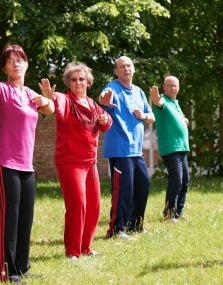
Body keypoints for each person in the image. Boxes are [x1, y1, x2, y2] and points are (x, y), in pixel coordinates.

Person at [40, 62, 112, 260]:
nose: (78, 82)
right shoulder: (65, 100)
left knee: (94, 206)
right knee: (77, 204)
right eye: (73, 79)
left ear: (88, 82)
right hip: (70, 162)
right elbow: (55, 104)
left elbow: (105, 120)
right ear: (68, 83)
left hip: (91, 162)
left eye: (81, 79)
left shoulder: (92, 104)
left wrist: (105, 119)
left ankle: (85, 247)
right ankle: (72, 251)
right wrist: (50, 97)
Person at [0, 44, 54, 283]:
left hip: (26, 166)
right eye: (11, 60)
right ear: (4, 68)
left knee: (25, 218)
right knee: (8, 220)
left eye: (20, 59)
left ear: (27, 65)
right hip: (5, 163)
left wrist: (48, 99)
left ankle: (22, 266)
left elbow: (50, 110)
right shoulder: (2, 90)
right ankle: (7, 269)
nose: (16, 64)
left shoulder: (32, 95)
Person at [99, 56, 155, 239]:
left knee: (143, 185)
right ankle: (117, 229)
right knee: (123, 189)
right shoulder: (111, 88)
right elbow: (103, 100)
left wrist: (144, 115)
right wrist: (105, 102)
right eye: (122, 67)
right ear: (116, 71)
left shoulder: (138, 92)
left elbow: (152, 116)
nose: (126, 69)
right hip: (119, 148)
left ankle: (135, 225)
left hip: (136, 149)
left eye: (129, 66)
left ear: (134, 69)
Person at [150, 76, 190, 222]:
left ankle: (178, 212)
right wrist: (155, 98)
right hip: (171, 147)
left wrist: (184, 120)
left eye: (175, 86)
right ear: (164, 87)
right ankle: (168, 214)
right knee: (177, 181)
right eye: (169, 85)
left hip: (182, 147)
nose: (172, 88)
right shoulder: (164, 101)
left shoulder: (175, 103)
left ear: (178, 88)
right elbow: (159, 102)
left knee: (185, 181)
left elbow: (180, 119)